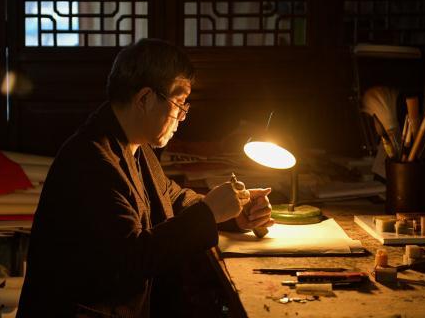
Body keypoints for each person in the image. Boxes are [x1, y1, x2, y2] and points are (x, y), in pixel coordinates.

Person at [16, 38, 273, 317]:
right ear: (145, 99)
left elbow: (172, 198)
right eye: (179, 103)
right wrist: (209, 213)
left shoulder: (136, 146)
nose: (182, 117)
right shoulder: (91, 163)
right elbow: (132, 258)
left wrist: (234, 211)